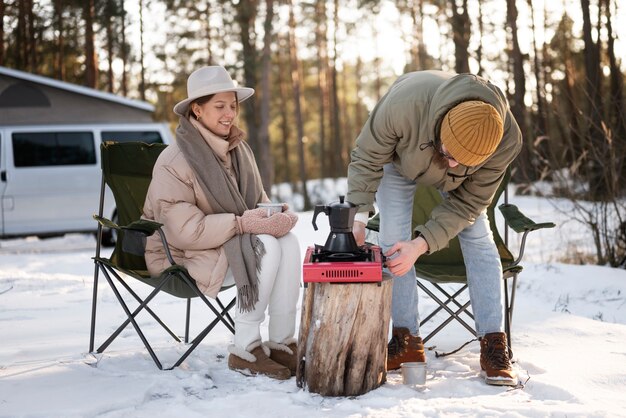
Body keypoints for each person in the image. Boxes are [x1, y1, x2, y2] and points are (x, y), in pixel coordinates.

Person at [347, 70, 523, 386]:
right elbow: (367, 157)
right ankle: (406, 342)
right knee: (392, 240)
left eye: (464, 160)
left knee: (480, 237)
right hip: (400, 160)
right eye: (451, 154)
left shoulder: (506, 140)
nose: (453, 163)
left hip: (462, 188)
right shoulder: (404, 105)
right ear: (443, 127)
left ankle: (494, 345)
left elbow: (468, 205)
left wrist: (422, 243)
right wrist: (358, 218)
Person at [143, 66, 301, 380]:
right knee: (265, 245)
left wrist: (275, 214)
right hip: (179, 255)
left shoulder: (238, 150)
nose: (229, 114)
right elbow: (185, 231)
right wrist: (244, 224)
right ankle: (245, 347)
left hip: (223, 246)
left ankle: (283, 343)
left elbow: (256, 204)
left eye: (233, 105)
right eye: (220, 106)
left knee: (288, 241)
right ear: (197, 110)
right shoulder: (176, 161)